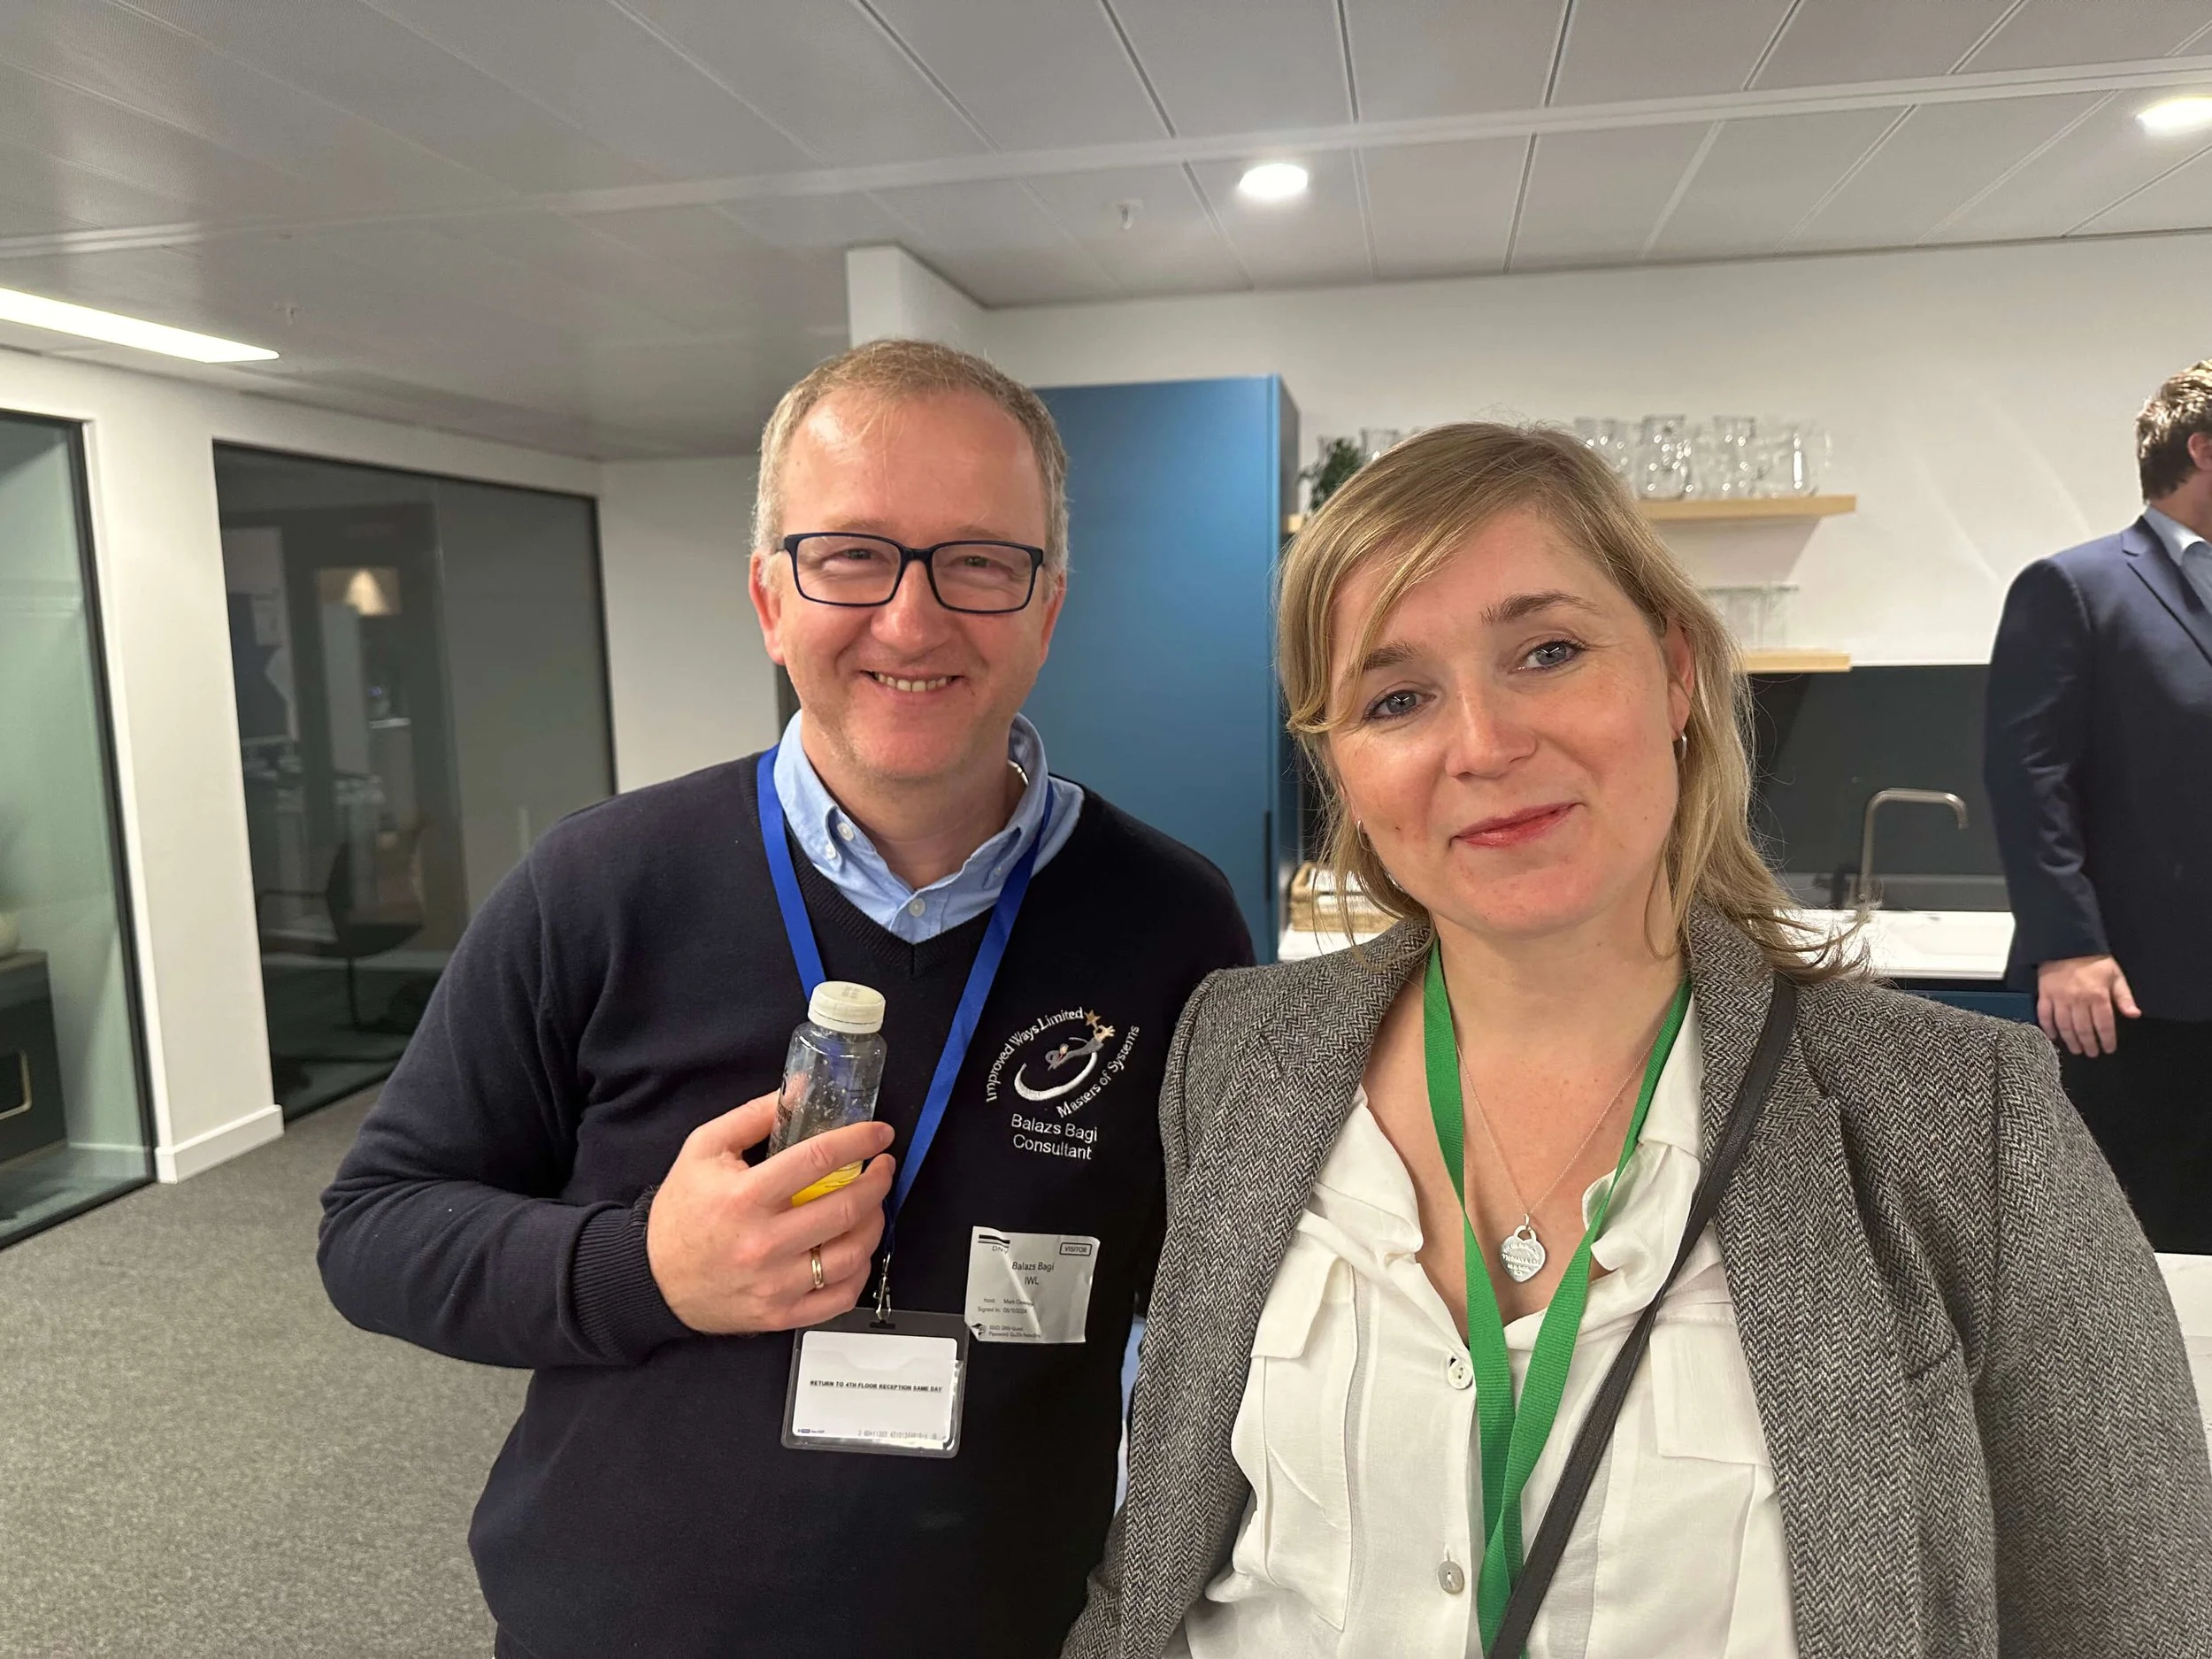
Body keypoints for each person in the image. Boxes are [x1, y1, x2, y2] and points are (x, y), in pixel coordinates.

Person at [1065, 424, 2211, 1659]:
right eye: (1396, 698)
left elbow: (2133, 1609)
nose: (1484, 744)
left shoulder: (1959, 1115)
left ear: (1674, 674)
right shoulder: (1237, 1053)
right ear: (1341, 764)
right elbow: (1159, 1551)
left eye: (1547, 652)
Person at [319, 338, 1252, 1659]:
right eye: (851, 555)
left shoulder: (1172, 919)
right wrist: (647, 1268)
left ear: (1047, 609)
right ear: (769, 597)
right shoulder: (602, 882)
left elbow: (1222, 1296)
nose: (912, 620)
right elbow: (375, 1231)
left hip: (1007, 1628)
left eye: (980, 561)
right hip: (624, 1627)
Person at [1985, 358, 2212, 1255]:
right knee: (2145, 1249)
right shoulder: (2076, 586)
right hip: (2136, 994)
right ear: (2201, 450)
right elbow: (2028, 775)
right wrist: (2067, 944)